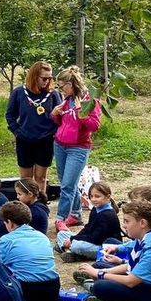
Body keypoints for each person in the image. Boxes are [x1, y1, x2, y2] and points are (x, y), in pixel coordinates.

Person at [51, 65, 102, 230]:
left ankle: (60, 218)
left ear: (71, 84)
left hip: (78, 147)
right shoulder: (67, 100)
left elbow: (94, 125)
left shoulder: (89, 101)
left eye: (62, 87)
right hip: (60, 144)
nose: (61, 90)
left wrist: (81, 113)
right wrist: (54, 114)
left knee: (67, 185)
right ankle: (76, 214)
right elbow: (63, 122)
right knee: (67, 183)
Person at [0, 202, 63, 301]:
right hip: (51, 289)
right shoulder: (42, 237)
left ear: (10, 223)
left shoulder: (6, 240)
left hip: (26, 290)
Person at [6, 61, 63, 194]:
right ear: (34, 76)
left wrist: (53, 132)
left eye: (50, 78)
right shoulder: (19, 92)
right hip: (24, 140)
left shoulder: (53, 94)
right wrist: (17, 131)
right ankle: (26, 203)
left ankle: (40, 201)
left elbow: (60, 117)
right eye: (44, 78)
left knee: (40, 177)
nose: (47, 81)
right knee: (26, 179)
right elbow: (10, 115)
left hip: (45, 141)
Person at [56, 181, 121, 262]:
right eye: (91, 196)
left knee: (77, 246)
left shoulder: (108, 215)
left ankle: (69, 250)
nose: (93, 199)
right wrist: (73, 238)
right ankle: (72, 252)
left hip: (103, 246)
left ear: (107, 197)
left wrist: (73, 239)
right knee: (62, 234)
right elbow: (88, 228)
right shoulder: (96, 209)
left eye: (97, 196)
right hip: (92, 240)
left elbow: (95, 238)